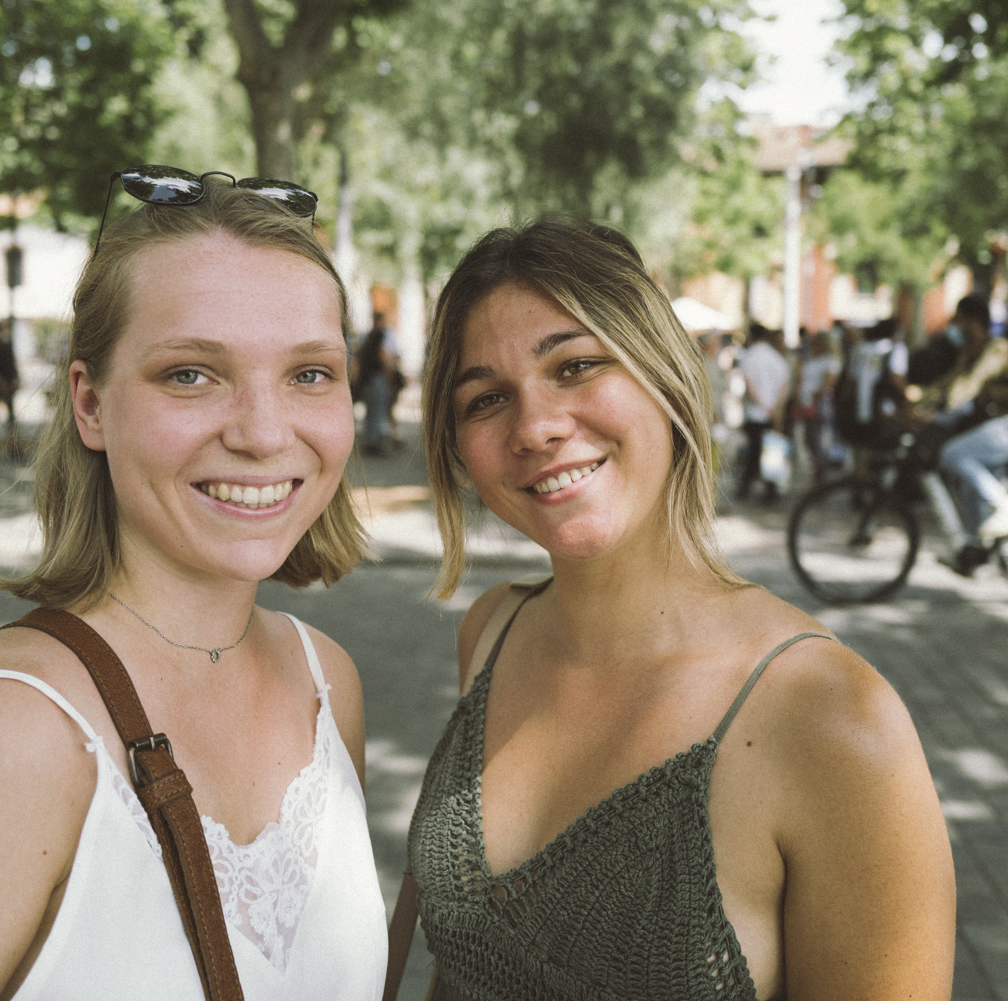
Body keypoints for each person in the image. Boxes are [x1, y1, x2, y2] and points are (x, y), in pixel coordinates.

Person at [0, 179, 388, 999]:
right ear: (90, 403)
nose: (265, 433)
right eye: (193, 375)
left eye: (310, 373)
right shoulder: (4, 733)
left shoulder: (326, 683)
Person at [406, 218, 955, 1001]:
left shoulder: (834, 717)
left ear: (664, 375)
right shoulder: (491, 630)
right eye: (486, 398)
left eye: (576, 365)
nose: (535, 426)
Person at [912, 293, 1008, 576]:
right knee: (970, 488)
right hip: (1002, 428)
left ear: (974, 322)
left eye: (959, 322)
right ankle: (974, 555)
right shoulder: (971, 352)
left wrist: (938, 410)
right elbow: (948, 383)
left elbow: (971, 383)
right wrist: (914, 406)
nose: (955, 329)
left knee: (953, 454)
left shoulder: (998, 348)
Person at [735, 323, 789, 502]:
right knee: (772, 452)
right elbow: (783, 385)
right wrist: (776, 408)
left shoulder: (750, 357)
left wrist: (763, 406)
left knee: (754, 452)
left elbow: (749, 385)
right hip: (772, 413)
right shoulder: (776, 357)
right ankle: (770, 491)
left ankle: (745, 488)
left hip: (755, 413)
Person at [794, 330, 842, 483]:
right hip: (807, 402)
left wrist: (813, 396)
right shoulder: (813, 359)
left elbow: (828, 384)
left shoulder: (831, 361)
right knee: (810, 439)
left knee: (816, 440)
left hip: (817, 404)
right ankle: (818, 474)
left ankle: (820, 476)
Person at [352, 310, 400, 455]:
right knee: (377, 410)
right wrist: (390, 379)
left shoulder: (366, 337)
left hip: (366, 380)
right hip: (378, 378)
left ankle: (370, 440)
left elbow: (357, 359)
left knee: (371, 411)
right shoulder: (382, 335)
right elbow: (384, 358)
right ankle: (373, 442)